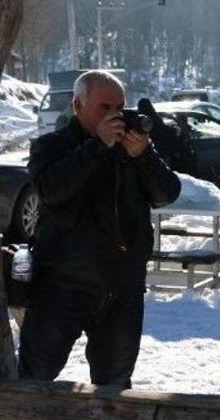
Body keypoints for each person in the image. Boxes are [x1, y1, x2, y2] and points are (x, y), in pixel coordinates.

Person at [20, 70, 181, 387]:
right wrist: (97, 146)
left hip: (122, 288)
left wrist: (144, 156)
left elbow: (167, 194)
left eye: (119, 107)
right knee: (33, 381)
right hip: (62, 285)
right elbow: (53, 190)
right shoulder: (51, 146)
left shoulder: (132, 148)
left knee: (115, 387)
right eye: (103, 108)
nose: (114, 115)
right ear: (78, 105)